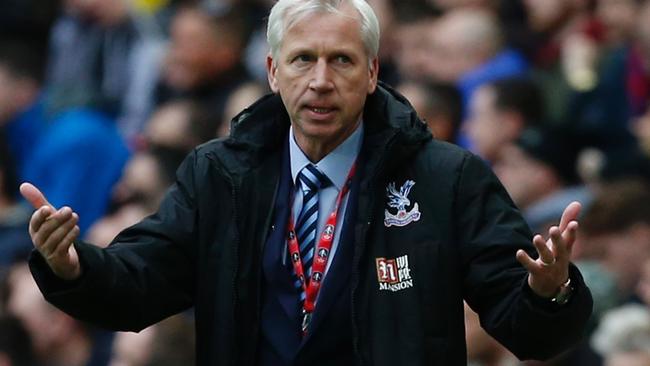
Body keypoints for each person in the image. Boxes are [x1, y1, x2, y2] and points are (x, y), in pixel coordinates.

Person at [22, 1, 592, 365]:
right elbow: (141, 283)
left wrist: (550, 292)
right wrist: (72, 267)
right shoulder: (220, 173)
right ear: (273, 71)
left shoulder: (447, 177)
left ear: (373, 73)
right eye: (302, 60)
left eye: (342, 60)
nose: (320, 81)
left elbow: (529, 332)